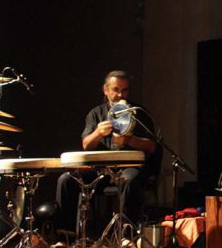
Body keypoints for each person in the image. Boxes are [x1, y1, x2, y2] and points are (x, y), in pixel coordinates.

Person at [55, 70, 160, 238]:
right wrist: (97, 132)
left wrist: (128, 141)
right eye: (116, 89)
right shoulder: (96, 113)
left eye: (124, 90)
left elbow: (152, 146)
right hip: (101, 170)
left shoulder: (138, 112)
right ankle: (66, 236)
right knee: (67, 179)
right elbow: (86, 145)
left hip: (129, 167)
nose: (120, 94)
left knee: (130, 180)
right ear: (106, 90)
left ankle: (127, 235)